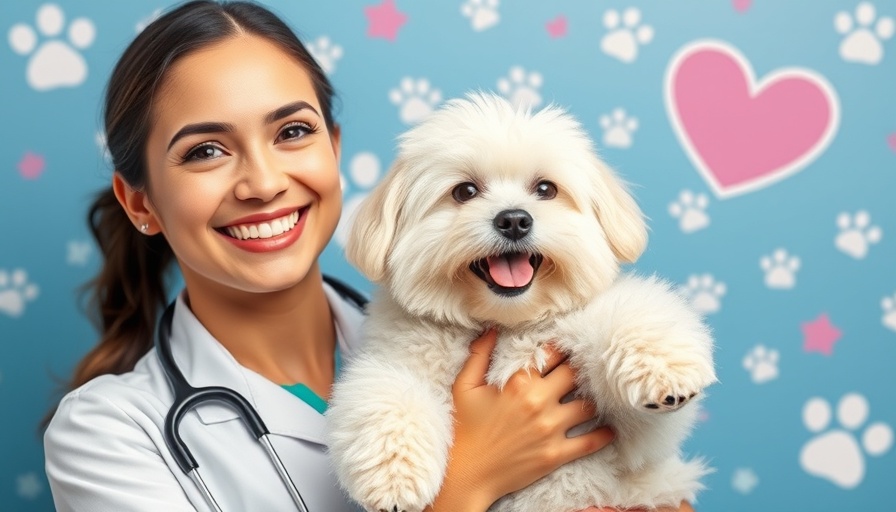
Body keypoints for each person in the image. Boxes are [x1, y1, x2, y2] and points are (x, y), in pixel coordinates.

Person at [42, 1, 695, 511]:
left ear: (334, 145)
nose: (264, 182)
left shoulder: (450, 320)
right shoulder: (107, 435)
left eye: (292, 132)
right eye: (205, 150)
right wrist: (466, 482)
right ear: (140, 203)